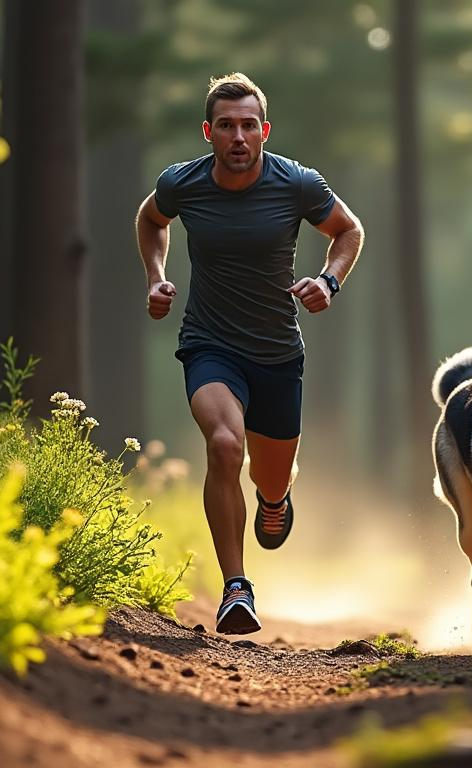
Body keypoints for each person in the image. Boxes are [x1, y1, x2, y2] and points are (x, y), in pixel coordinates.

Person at [134, 72, 364, 635]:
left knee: (272, 476)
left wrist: (329, 282)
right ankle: (236, 588)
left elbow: (348, 230)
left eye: (248, 126)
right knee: (223, 444)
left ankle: (274, 499)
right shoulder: (182, 183)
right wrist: (157, 278)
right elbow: (150, 219)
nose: (238, 137)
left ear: (263, 130)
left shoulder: (297, 183)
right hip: (209, 343)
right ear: (209, 132)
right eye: (226, 126)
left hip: (277, 352)